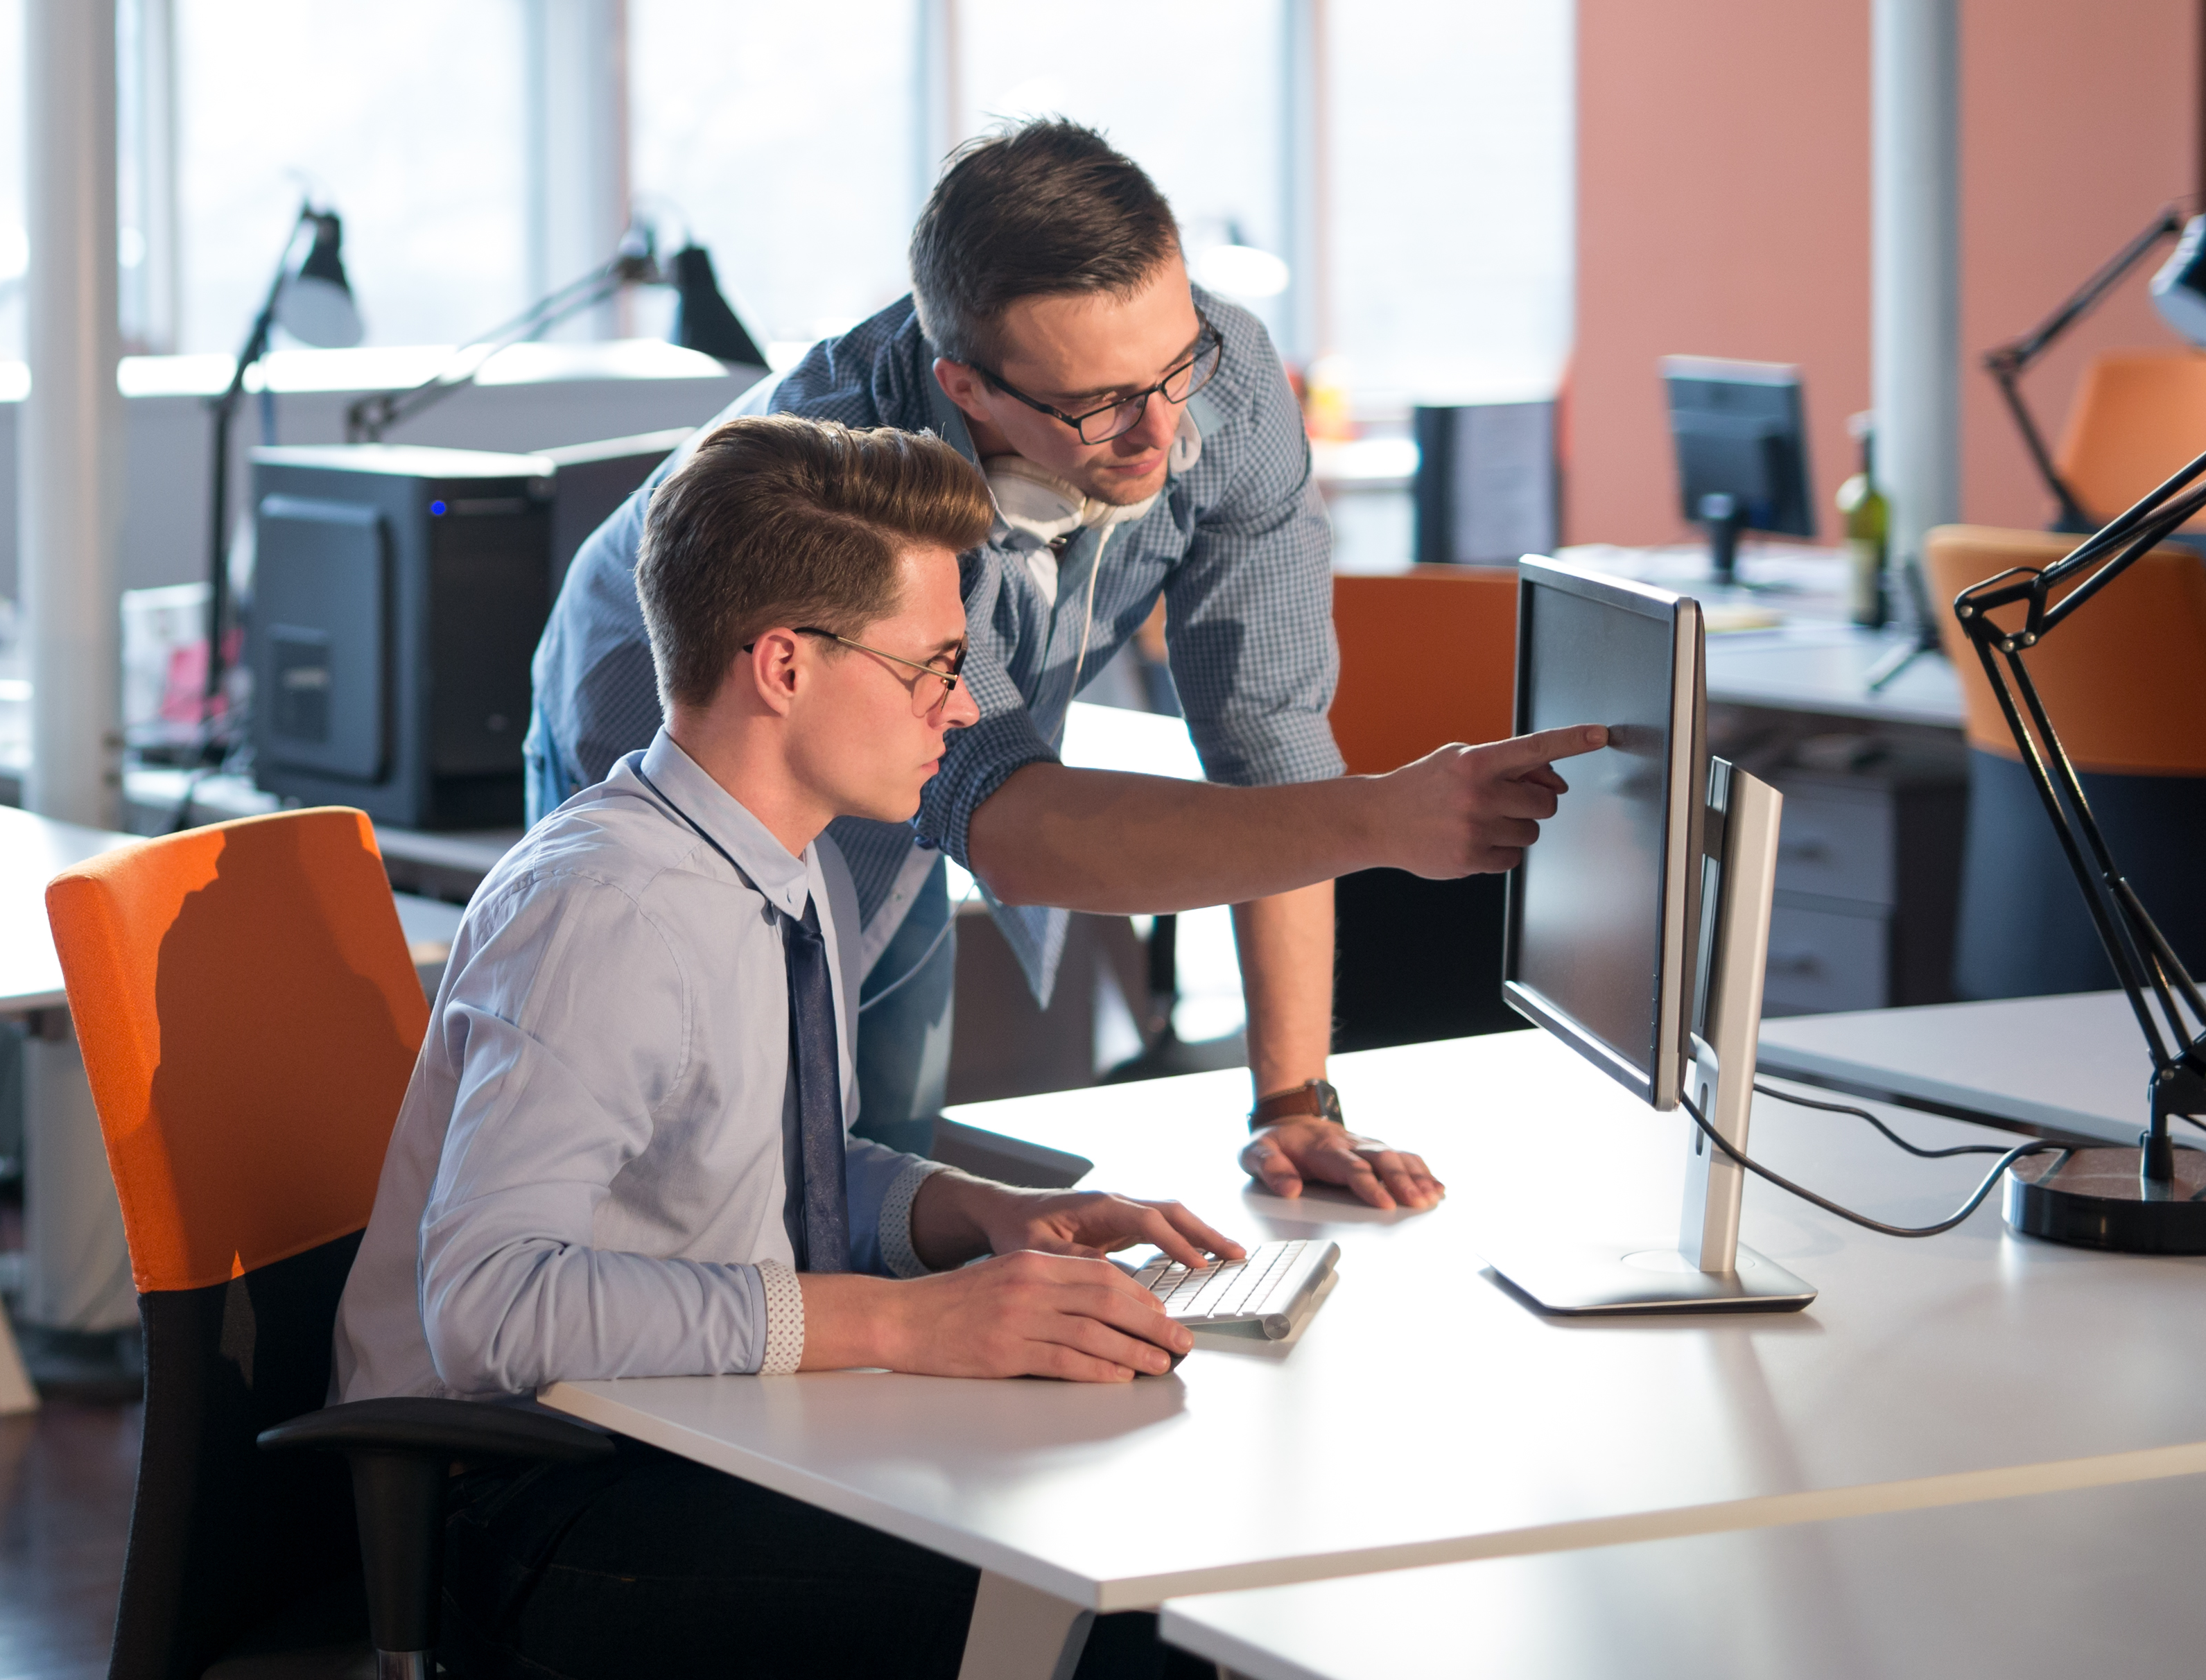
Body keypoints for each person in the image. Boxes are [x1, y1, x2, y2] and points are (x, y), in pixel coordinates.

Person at [337, 416, 1268, 1680]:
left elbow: (760, 1163)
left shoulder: (783, 868)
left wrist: (975, 1218)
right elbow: (486, 1308)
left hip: (704, 1442)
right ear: (782, 664)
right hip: (522, 1514)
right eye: (933, 667)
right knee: (1072, 1631)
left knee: (1128, 1577)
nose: (959, 708)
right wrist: (904, 1323)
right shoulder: (601, 913)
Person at [530, 119, 1590, 1205]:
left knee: (873, 1142)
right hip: (695, 742)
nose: (1159, 430)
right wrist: (1384, 819)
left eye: (1174, 365)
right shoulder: (844, 474)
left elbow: (1268, 740)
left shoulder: (1220, 384)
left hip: (901, 764)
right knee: (708, 1185)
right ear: (969, 386)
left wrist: (1293, 1105)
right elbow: (1013, 826)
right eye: (1095, 404)